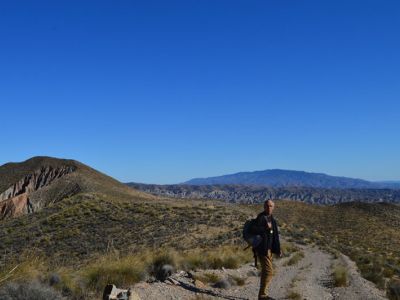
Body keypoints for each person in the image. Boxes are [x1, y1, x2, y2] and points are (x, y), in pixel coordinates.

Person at [252, 199, 282, 300]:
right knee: (269, 271)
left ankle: (263, 294)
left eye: (271, 206)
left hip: (268, 250)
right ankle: (262, 295)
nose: (269, 208)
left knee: (266, 271)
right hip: (262, 249)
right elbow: (253, 229)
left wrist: (278, 249)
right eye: (267, 206)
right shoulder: (261, 217)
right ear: (264, 207)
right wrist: (265, 228)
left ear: (273, 207)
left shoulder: (272, 219)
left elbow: (275, 236)